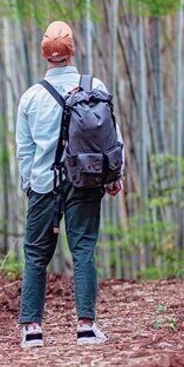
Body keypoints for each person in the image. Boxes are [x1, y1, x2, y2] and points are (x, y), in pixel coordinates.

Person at [16, 21, 123, 348]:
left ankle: (32, 329)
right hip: (85, 181)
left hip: (44, 185)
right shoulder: (95, 85)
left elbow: (25, 150)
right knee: (84, 250)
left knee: (36, 255)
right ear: (73, 51)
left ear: (44, 55)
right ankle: (86, 326)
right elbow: (112, 136)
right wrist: (114, 175)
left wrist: (30, 186)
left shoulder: (31, 97)